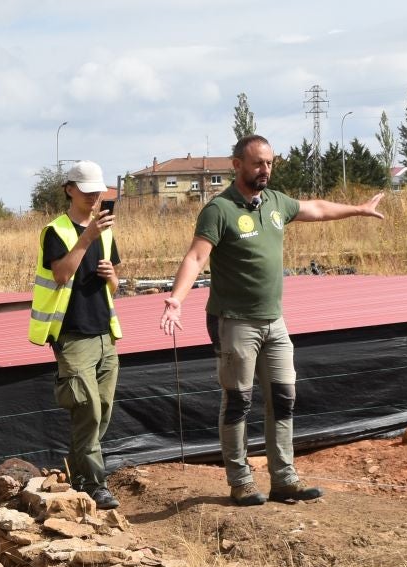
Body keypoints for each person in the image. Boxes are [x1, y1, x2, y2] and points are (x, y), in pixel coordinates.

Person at [161, 134, 385, 506]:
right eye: (257, 164)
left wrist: (358, 209)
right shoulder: (220, 210)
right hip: (234, 322)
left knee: (284, 397)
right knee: (238, 401)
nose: (265, 170)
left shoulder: (277, 203)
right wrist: (175, 299)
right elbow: (196, 258)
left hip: (274, 322)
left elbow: (317, 208)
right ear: (237, 166)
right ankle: (241, 482)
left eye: (270, 163)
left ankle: (284, 479)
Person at [26, 161, 123, 510]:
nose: (95, 197)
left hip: (104, 332)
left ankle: (80, 473)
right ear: (69, 189)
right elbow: (63, 274)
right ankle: (95, 483)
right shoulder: (57, 231)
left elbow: (113, 285)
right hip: (72, 335)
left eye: (98, 191)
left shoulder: (105, 230)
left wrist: (112, 275)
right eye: (87, 191)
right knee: (88, 411)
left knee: (103, 409)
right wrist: (87, 237)